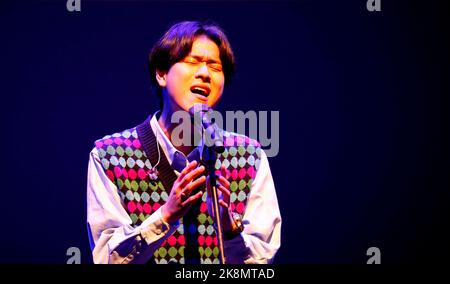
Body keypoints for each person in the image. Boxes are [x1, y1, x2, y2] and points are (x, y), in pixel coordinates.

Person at [86, 21, 281, 264]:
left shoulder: (248, 157)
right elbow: (105, 258)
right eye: (192, 61)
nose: (204, 73)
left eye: (215, 66)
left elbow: (262, 263)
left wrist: (229, 230)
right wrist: (165, 216)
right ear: (161, 73)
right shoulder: (111, 155)